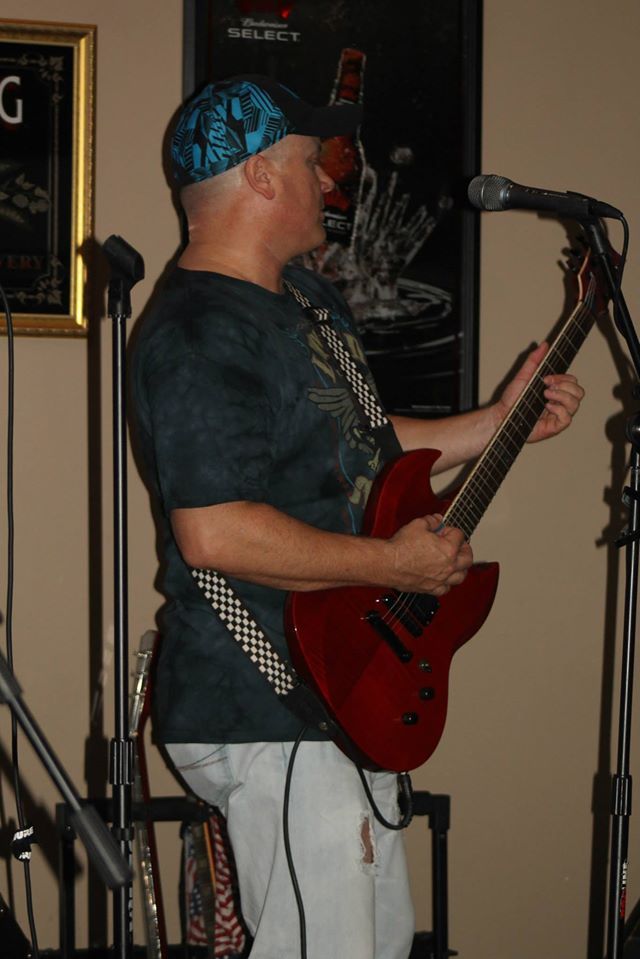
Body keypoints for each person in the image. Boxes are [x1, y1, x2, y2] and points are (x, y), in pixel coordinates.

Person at [131, 75, 584, 959]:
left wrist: (501, 420)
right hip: (262, 697)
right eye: (310, 160)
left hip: (337, 689)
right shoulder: (197, 332)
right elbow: (214, 531)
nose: (330, 178)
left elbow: (365, 440)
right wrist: (395, 566)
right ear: (260, 175)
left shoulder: (309, 302)